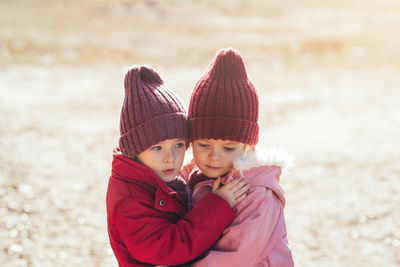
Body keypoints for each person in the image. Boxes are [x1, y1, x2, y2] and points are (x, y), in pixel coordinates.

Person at [106, 65, 249, 266]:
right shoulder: (130, 199)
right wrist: (217, 205)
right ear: (135, 149)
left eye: (179, 145)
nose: (170, 158)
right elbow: (169, 249)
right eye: (157, 148)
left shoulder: (162, 179)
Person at [186, 48, 295, 267]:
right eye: (204, 144)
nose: (214, 156)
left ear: (248, 145)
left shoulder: (256, 193)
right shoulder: (190, 177)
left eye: (228, 148)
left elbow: (235, 259)